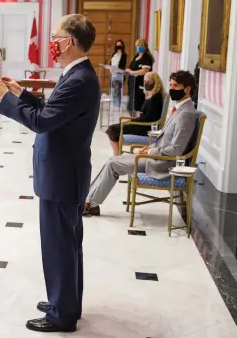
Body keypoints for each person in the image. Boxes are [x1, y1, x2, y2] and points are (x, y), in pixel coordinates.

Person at [0, 14, 99, 333]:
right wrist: (21, 93)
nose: (52, 41)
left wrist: (5, 100)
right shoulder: (77, 74)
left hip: (63, 175)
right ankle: (66, 302)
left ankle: (61, 315)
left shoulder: (79, 78)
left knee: (59, 247)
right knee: (67, 245)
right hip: (65, 172)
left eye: (56, 36)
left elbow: (41, 122)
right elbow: (52, 111)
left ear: (71, 42)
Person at [85, 70, 198, 217]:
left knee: (113, 165)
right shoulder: (180, 109)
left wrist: (150, 152)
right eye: (170, 85)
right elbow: (167, 138)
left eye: (175, 86)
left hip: (163, 164)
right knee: (113, 160)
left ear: (187, 88)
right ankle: (89, 200)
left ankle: (90, 203)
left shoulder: (186, 114)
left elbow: (176, 149)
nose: (171, 89)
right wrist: (150, 147)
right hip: (156, 156)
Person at [105, 72, 165, 156]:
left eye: (148, 81)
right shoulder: (151, 95)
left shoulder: (156, 97)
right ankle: (117, 155)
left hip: (146, 128)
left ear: (156, 82)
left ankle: (116, 156)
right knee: (113, 129)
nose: (146, 83)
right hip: (141, 124)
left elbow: (149, 118)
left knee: (113, 129)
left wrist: (131, 120)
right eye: (145, 81)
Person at [125, 38, 154, 114]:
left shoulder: (147, 57)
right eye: (137, 45)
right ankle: (132, 118)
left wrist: (132, 72)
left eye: (141, 45)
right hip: (132, 84)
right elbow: (131, 67)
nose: (139, 47)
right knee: (130, 106)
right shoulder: (136, 56)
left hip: (140, 85)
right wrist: (128, 70)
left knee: (138, 106)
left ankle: (137, 120)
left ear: (145, 47)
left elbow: (144, 71)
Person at [109, 39, 127, 108]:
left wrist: (117, 70)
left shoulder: (124, 55)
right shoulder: (114, 54)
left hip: (119, 76)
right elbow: (110, 64)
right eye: (117, 45)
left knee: (118, 91)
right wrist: (111, 69)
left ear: (122, 46)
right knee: (113, 90)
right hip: (113, 75)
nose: (118, 47)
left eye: (120, 45)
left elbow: (123, 66)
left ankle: (118, 106)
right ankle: (114, 105)